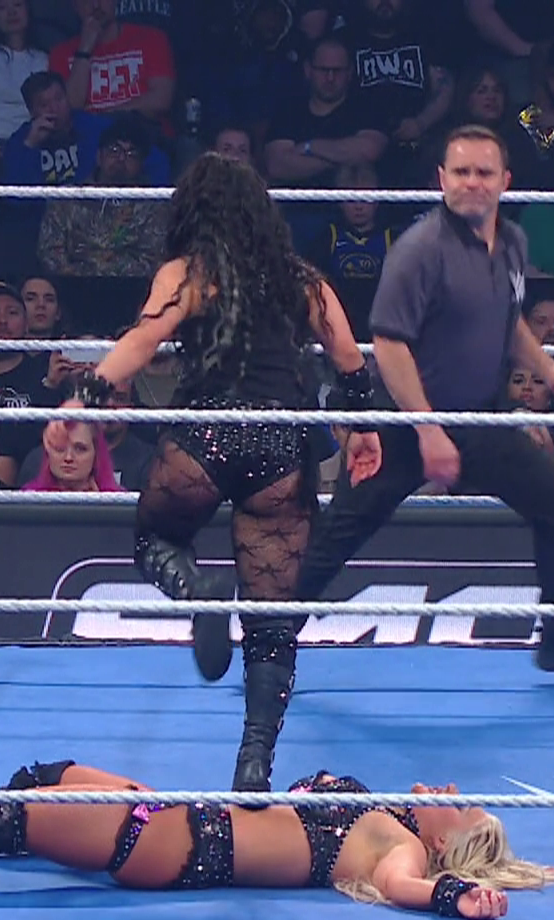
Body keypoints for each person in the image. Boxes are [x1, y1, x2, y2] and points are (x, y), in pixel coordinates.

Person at [264, 124, 554, 689]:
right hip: (402, 422)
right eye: (461, 172)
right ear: (441, 179)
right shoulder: (419, 250)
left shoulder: (512, 242)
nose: (472, 183)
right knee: (341, 531)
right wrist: (428, 430)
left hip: (476, 418)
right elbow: (389, 345)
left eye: (484, 172)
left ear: (505, 181)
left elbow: (508, 320)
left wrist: (551, 373)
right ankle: (268, 640)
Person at [60, 152, 381, 794]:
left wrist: (83, 399)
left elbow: (141, 342)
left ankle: (196, 592)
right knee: (272, 624)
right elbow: (350, 362)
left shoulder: (189, 273)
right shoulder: (304, 282)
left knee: (155, 539)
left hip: (202, 439)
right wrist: (364, 429)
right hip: (279, 450)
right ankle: (253, 764)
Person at [0, 762, 554, 920]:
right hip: (183, 815)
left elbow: (409, 888)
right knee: (42, 778)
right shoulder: (385, 813)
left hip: (185, 844)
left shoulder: (396, 848)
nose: (448, 793)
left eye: (462, 808)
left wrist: (461, 897)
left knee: (1, 820)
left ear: (452, 847)